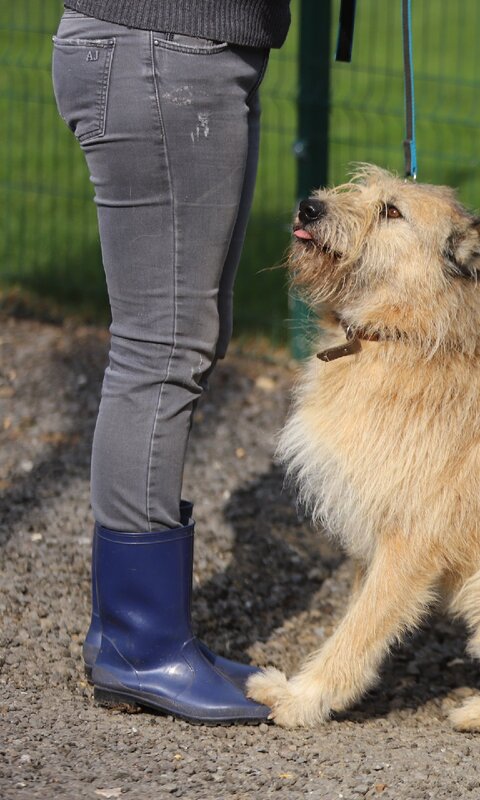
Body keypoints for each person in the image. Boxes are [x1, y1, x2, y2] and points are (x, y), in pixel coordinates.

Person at [52, 0, 291, 724]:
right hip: (165, 51)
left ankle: (144, 632)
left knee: (186, 338)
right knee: (161, 346)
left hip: (187, 51)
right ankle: (139, 643)